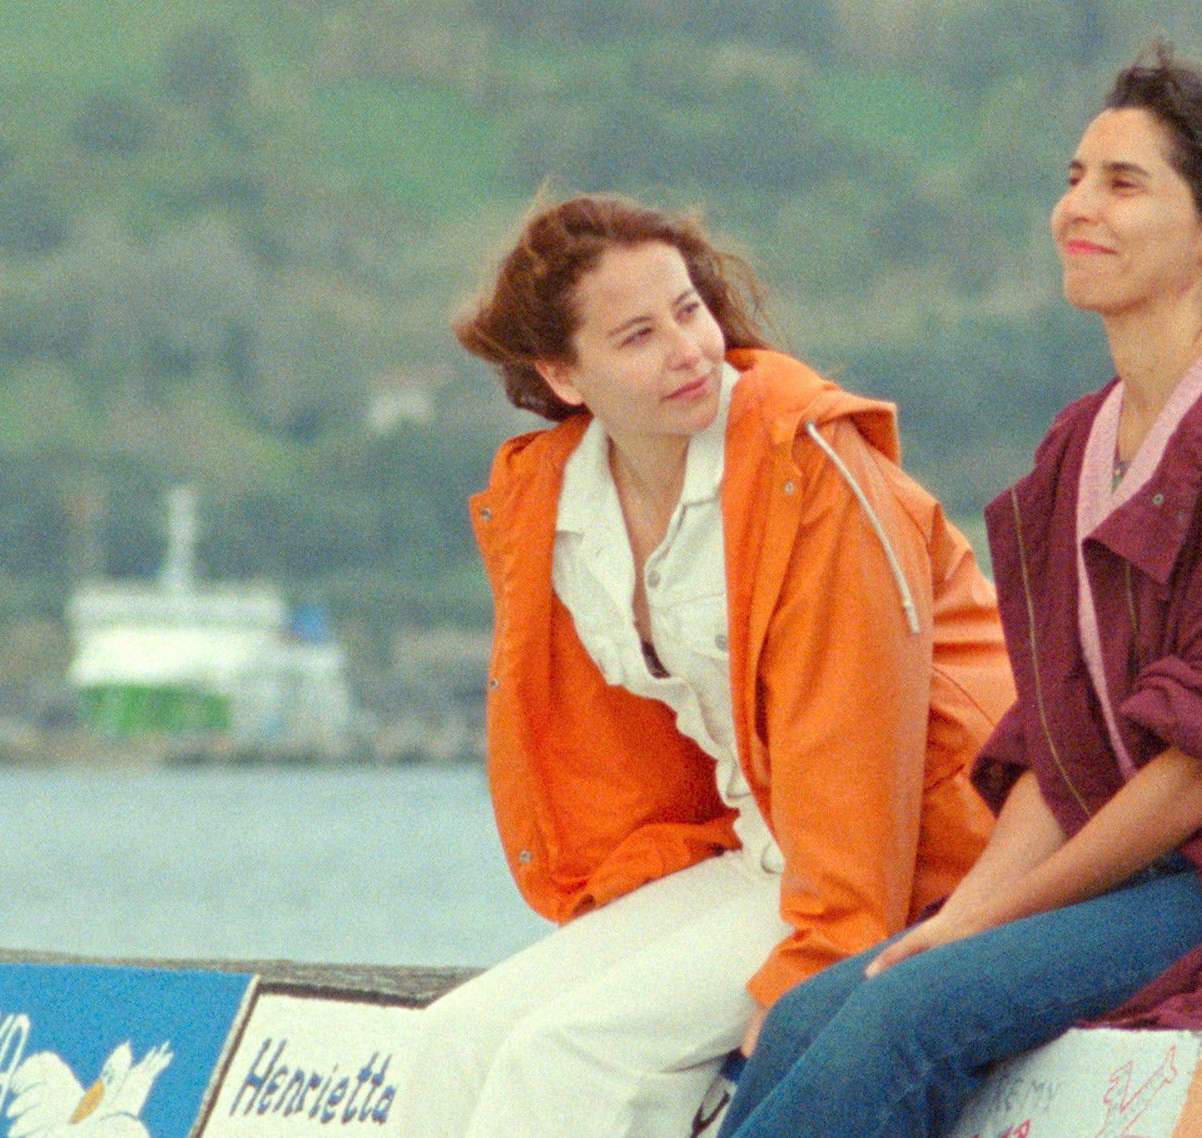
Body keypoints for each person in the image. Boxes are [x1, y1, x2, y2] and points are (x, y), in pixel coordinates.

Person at [720, 46, 1202, 1138]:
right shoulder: (1085, 444)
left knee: (911, 1015)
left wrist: (994, 926)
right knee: (815, 1012)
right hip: (1164, 867)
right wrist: (962, 918)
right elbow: (1063, 741)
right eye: (1075, 177)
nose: (1076, 207)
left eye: (1124, 183)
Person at [394, 195, 1013, 1138]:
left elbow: (859, 748)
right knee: (452, 1040)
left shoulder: (810, 466)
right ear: (563, 374)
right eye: (638, 335)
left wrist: (815, 967)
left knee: (570, 1054)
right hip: (763, 847)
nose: (688, 350)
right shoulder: (557, 505)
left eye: (689, 310)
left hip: (928, 850)